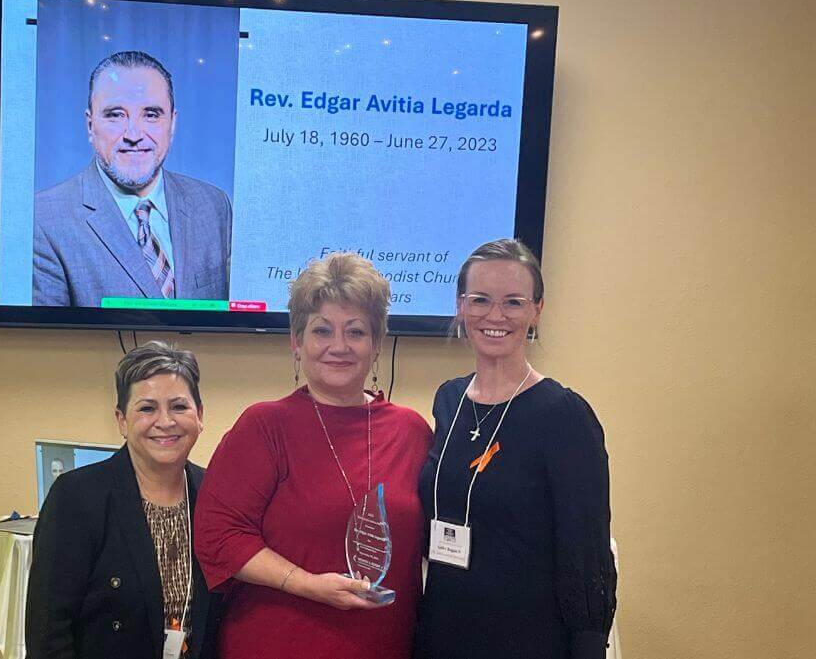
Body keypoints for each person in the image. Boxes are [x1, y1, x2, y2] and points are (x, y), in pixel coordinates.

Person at [193, 253, 432, 659]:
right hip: (276, 644)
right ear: (296, 342)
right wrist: (308, 584)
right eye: (322, 330)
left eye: (355, 331)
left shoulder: (411, 432)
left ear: (376, 344)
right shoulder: (264, 427)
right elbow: (219, 536)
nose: (339, 346)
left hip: (384, 645)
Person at [415, 239, 617, 659]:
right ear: (460, 306)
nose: (495, 316)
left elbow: (586, 556)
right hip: (443, 630)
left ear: (536, 310)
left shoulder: (564, 416)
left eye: (513, 302)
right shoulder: (449, 400)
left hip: (528, 638)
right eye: (480, 300)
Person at [26, 341, 222, 659]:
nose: (165, 421)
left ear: (199, 415)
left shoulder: (216, 494)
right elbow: (49, 632)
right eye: (147, 408)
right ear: (121, 420)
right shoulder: (76, 497)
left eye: (179, 406)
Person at [33, 51, 232, 306]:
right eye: (116, 114)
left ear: (172, 124)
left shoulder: (214, 205)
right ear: (90, 125)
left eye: (151, 114)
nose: (134, 134)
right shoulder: (42, 219)